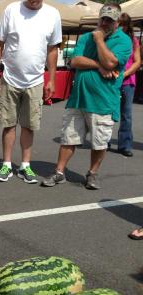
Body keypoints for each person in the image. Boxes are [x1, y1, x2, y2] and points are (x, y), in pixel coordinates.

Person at [42, 4, 131, 190]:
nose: (105, 23)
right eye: (103, 19)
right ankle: (59, 172)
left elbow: (111, 62)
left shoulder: (124, 41)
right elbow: (75, 61)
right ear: (99, 18)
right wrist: (99, 66)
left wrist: (99, 41)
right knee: (68, 137)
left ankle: (92, 174)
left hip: (104, 101)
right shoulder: (84, 37)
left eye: (110, 20)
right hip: (79, 98)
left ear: (117, 22)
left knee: (99, 142)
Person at [0, 0, 62, 184]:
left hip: (35, 80)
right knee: (8, 123)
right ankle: (6, 164)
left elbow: (52, 49)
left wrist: (51, 79)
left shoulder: (52, 14)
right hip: (10, 78)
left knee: (29, 125)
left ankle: (25, 165)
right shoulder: (11, 10)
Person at [111, 13, 141, 157]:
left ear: (126, 25)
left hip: (128, 82)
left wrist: (125, 73)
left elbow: (137, 61)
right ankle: (103, 142)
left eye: (121, 24)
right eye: (117, 23)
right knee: (108, 112)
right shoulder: (110, 38)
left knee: (126, 115)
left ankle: (125, 145)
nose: (118, 26)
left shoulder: (133, 40)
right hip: (110, 80)